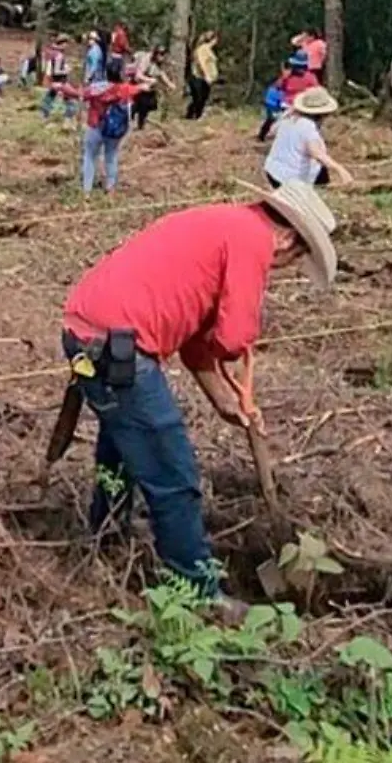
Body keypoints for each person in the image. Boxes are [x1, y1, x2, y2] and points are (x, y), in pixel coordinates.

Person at [59, 181, 339, 605]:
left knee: (125, 441)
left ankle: (106, 536)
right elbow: (233, 337)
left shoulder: (225, 224)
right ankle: (199, 591)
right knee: (174, 472)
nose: (283, 268)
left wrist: (227, 403)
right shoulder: (252, 240)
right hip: (117, 346)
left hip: (90, 335)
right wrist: (240, 344)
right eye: (296, 258)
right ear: (286, 238)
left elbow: (194, 341)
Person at [53, 58, 145, 194]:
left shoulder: (97, 88)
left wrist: (62, 86)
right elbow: (142, 88)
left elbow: (78, 95)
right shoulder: (125, 89)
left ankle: (87, 190)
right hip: (115, 129)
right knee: (111, 156)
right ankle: (110, 188)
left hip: (95, 125)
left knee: (90, 156)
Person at [262, 87, 352, 188]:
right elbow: (317, 154)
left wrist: (286, 114)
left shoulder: (289, 118)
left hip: (273, 171)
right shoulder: (308, 127)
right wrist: (340, 169)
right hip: (289, 177)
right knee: (320, 170)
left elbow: (271, 132)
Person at [258, 51, 320, 142]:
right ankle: (264, 135)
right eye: (297, 66)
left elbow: (316, 91)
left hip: (303, 105)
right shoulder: (288, 77)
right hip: (287, 105)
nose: (299, 69)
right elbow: (277, 87)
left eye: (301, 67)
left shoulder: (310, 77)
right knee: (273, 119)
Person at [40, 36, 76, 123]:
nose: (67, 46)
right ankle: (68, 119)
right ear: (62, 44)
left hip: (53, 81)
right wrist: (66, 70)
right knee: (70, 100)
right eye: (66, 44)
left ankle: (44, 116)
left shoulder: (53, 53)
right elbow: (56, 71)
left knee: (49, 98)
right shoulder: (59, 55)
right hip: (60, 82)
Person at [185, 31, 219, 120]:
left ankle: (197, 115)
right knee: (198, 98)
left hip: (206, 78)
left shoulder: (209, 50)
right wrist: (206, 75)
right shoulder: (202, 49)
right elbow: (201, 63)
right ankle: (193, 115)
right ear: (212, 39)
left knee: (203, 97)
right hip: (199, 77)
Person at [132, 46, 168, 130]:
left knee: (148, 106)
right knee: (137, 106)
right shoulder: (146, 60)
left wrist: (169, 84)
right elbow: (138, 75)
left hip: (149, 88)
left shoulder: (158, 63)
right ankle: (132, 122)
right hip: (139, 85)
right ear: (156, 54)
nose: (162, 57)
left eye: (163, 55)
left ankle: (141, 125)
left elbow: (161, 74)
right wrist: (149, 80)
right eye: (161, 55)